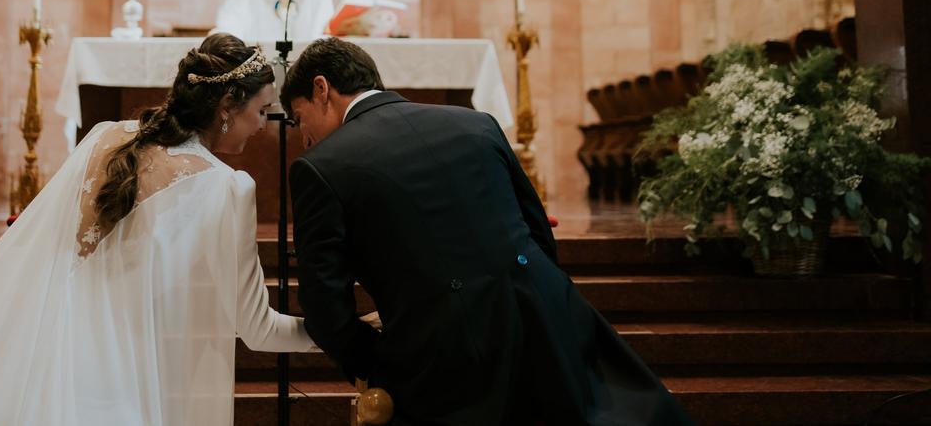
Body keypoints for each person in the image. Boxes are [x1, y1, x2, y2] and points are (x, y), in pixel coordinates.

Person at [0, 34, 314, 426]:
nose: (262, 125)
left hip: (27, 351)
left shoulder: (105, 137)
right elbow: (257, 328)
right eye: (261, 109)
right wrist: (341, 333)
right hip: (114, 377)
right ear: (227, 104)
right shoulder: (230, 188)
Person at [282, 38, 694, 425]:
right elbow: (536, 229)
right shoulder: (476, 123)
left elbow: (323, 305)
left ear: (323, 88)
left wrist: (378, 362)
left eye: (300, 119)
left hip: (444, 353)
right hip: (546, 314)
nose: (304, 139)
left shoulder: (320, 166)